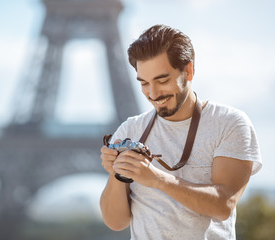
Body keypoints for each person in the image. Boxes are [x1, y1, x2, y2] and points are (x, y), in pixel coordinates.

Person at [99, 24, 262, 240]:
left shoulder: (229, 124)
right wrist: (117, 174)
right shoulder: (130, 130)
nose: (153, 93)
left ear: (188, 71)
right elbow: (115, 222)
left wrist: (156, 179)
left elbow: (223, 205)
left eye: (162, 80)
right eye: (144, 83)